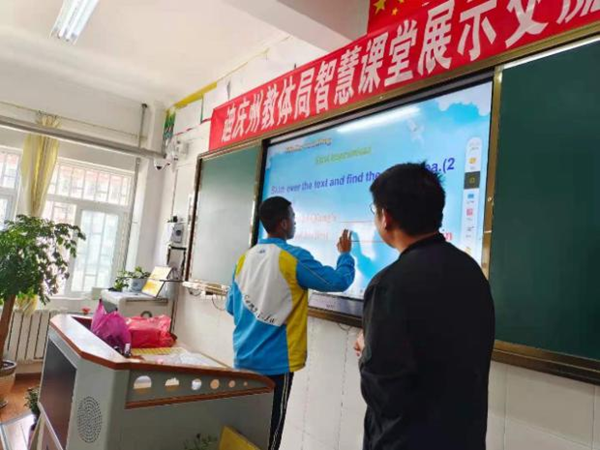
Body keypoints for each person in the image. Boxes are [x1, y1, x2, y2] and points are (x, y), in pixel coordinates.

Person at [355, 163, 495, 450]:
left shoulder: (389, 285)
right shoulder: (470, 270)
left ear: (386, 217)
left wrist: (368, 347)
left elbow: (383, 393)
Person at [226, 196, 355, 450]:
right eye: (293, 218)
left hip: (243, 358)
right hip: (275, 364)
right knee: (270, 433)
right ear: (284, 223)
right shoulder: (293, 258)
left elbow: (232, 307)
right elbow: (337, 281)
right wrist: (345, 255)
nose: (295, 222)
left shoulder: (245, 259)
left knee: (246, 430)